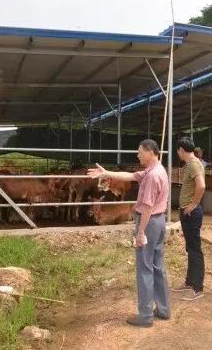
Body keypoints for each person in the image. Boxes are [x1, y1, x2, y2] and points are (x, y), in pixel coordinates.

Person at [87, 139, 170, 328]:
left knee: (144, 268)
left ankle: (145, 315)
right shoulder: (158, 170)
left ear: (150, 152)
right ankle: (163, 309)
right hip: (159, 221)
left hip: (148, 222)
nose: (138, 155)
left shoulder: (151, 176)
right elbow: (130, 176)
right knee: (157, 265)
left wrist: (140, 232)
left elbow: (147, 206)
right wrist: (106, 173)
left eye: (140, 152)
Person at [173, 137, 206, 301]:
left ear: (181, 149)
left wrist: (193, 204)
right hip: (187, 212)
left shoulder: (193, 164)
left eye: (177, 150)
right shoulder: (192, 163)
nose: (177, 153)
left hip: (191, 213)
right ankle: (189, 282)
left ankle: (198, 288)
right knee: (190, 249)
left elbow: (201, 186)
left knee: (195, 250)